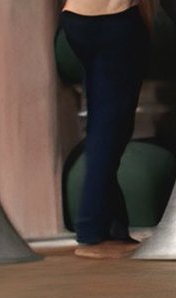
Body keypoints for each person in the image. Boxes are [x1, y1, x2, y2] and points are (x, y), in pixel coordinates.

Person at [60, 0, 155, 259]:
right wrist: (145, 28)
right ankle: (91, 232)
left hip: (75, 18)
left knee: (103, 122)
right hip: (116, 18)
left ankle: (113, 229)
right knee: (111, 128)